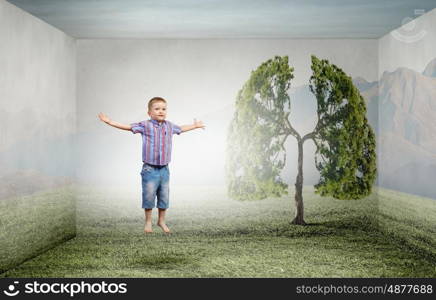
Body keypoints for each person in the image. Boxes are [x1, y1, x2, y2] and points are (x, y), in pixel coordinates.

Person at [98, 96, 205, 234]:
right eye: (157, 109)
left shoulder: (169, 125)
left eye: (164, 109)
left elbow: (180, 129)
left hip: (165, 169)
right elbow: (128, 127)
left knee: (164, 196)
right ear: (149, 112)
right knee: (149, 196)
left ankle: (161, 220)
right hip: (150, 169)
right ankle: (148, 222)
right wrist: (110, 122)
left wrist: (195, 126)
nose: (161, 111)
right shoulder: (145, 125)